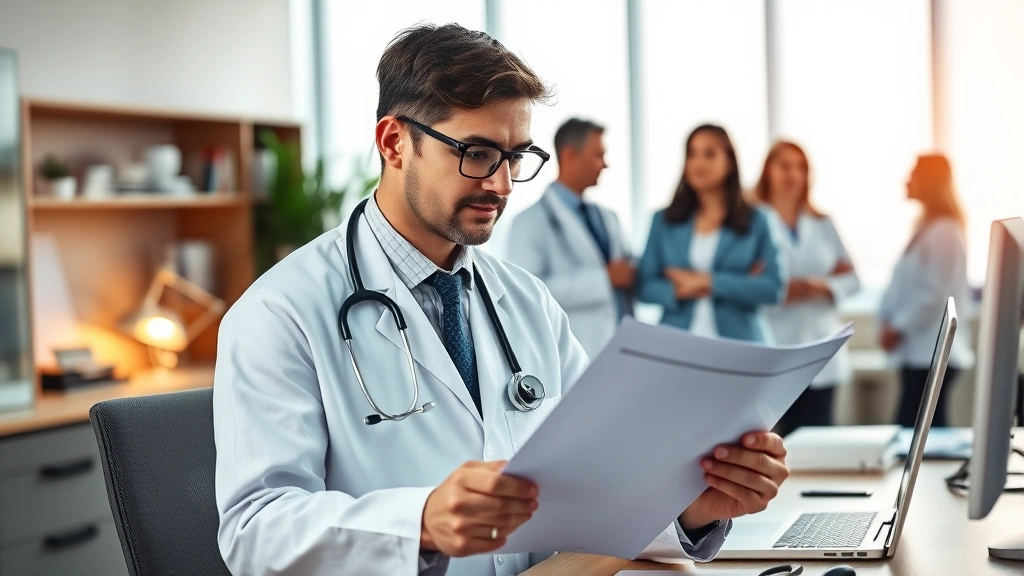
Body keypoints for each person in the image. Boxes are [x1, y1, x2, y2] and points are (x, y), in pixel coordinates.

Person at [213, 24, 791, 576]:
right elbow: (254, 531)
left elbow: (597, 476)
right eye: (478, 153)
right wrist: (419, 524)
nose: (502, 184)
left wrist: (693, 508)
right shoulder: (280, 312)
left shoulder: (526, 302)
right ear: (394, 142)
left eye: (516, 157)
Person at [637, 124, 785, 343]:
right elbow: (645, 286)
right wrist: (680, 289)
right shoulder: (663, 220)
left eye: (709, 154)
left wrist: (706, 281)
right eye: (692, 154)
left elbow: (772, 288)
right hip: (676, 343)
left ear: (730, 161)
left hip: (741, 344)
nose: (698, 163)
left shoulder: (758, 220)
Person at [754, 141, 861, 437]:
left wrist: (820, 286)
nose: (792, 174)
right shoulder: (752, 224)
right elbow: (744, 286)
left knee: (818, 446)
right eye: (784, 166)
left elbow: (853, 280)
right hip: (774, 348)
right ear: (768, 172)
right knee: (771, 446)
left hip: (822, 349)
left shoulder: (823, 224)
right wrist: (780, 290)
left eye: (800, 167)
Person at [505, 118, 634, 358]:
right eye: (598, 155)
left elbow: (628, 274)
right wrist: (605, 279)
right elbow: (526, 294)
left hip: (624, 347)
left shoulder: (608, 217)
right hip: (577, 351)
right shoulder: (529, 222)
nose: (604, 165)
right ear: (570, 155)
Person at [879, 154, 974, 428]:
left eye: (914, 174)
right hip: (918, 351)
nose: (907, 180)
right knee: (918, 430)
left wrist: (897, 327)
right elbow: (903, 287)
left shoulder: (945, 231)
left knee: (920, 431)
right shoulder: (926, 228)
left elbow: (935, 294)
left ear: (930, 181)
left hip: (931, 350)